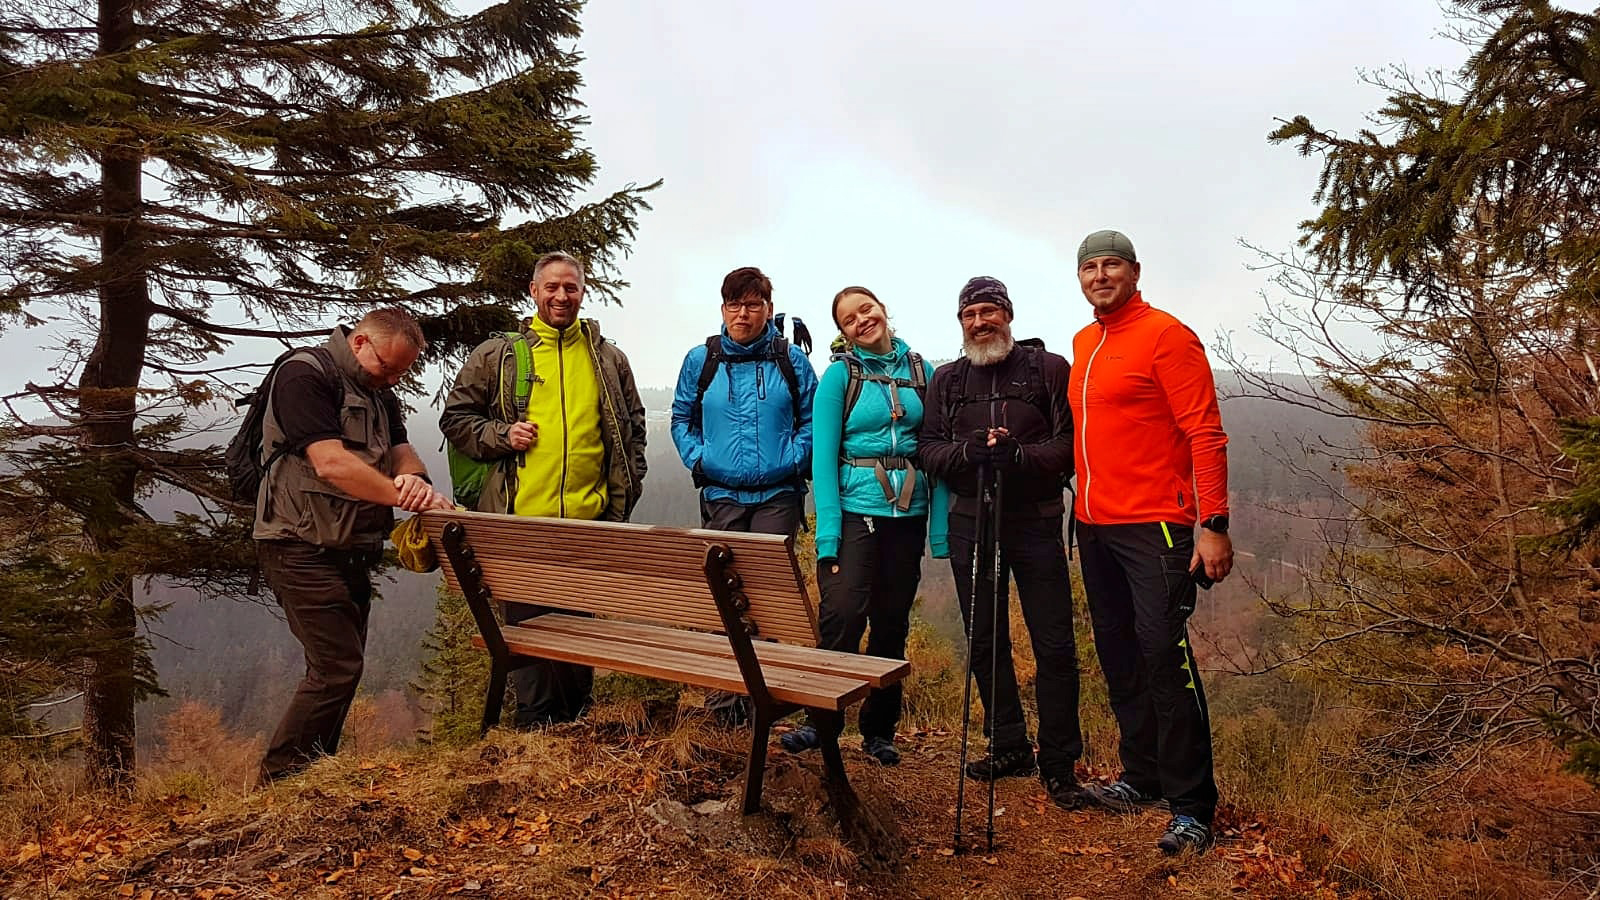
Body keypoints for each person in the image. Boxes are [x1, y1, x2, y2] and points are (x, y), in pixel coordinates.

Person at [1068, 229, 1231, 855]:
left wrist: (1212, 523)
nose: (1100, 275)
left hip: (1158, 525)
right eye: (1089, 267)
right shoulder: (1085, 341)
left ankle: (1192, 808)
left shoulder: (1167, 335)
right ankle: (1142, 777)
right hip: (1094, 524)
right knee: (1119, 655)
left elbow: (1206, 432)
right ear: (1079, 278)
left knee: (1165, 659)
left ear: (1135, 271)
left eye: (1111, 265)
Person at [440, 251, 648, 727]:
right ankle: (534, 738)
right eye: (551, 287)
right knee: (530, 642)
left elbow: (632, 429)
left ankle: (576, 732)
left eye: (570, 287)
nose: (561, 296)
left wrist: (627, 487)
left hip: (587, 522)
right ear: (533, 292)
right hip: (521, 524)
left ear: (582, 291)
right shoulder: (498, 355)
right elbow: (456, 419)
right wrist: (502, 435)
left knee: (579, 640)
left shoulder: (608, 359)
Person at [255, 307, 453, 784]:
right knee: (337, 668)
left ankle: (311, 772)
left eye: (402, 372)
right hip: (297, 544)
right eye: (388, 367)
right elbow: (330, 463)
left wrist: (417, 480)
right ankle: (280, 778)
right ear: (360, 342)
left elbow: (400, 449)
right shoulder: (304, 374)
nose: (392, 379)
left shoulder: (379, 394)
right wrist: (402, 496)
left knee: (340, 668)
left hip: (349, 548)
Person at [917, 276, 1087, 809]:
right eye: (970, 315)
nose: (979, 322)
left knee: (1054, 644)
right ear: (961, 323)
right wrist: (967, 454)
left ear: (1008, 316)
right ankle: (1009, 743)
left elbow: (1070, 445)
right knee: (986, 640)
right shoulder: (947, 380)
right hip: (971, 521)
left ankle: (1060, 764)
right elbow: (927, 449)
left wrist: (1020, 457)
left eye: (989, 312)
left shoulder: (1049, 369)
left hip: (1034, 520)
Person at [778, 286, 947, 765]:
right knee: (843, 614)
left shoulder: (922, 373)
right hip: (856, 512)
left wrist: (938, 530)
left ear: (883, 309)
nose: (862, 320)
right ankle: (820, 721)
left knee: (891, 623)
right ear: (844, 332)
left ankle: (879, 731)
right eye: (850, 319)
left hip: (907, 514)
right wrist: (827, 533)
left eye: (866, 309)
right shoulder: (839, 377)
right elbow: (824, 460)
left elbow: (934, 447)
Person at [670, 266, 817, 726]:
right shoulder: (702, 359)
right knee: (725, 597)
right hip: (722, 495)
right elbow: (681, 417)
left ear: (768, 310)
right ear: (723, 309)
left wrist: (794, 459)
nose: (743, 313)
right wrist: (700, 459)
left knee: (766, 600)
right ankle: (725, 707)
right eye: (735, 304)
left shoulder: (791, 361)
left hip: (778, 496)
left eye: (753, 304)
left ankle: (762, 708)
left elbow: (813, 418)